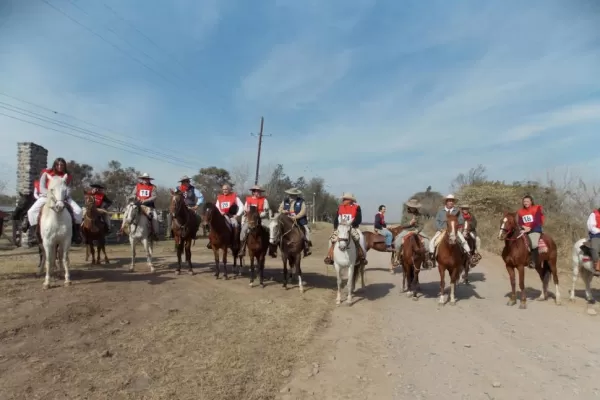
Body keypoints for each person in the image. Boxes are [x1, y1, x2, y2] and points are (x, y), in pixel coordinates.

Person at [24, 158, 83, 237]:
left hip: (63, 197)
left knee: (78, 211)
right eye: (57, 164)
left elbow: (69, 188)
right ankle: (36, 231)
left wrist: (64, 195)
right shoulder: (46, 173)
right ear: (55, 165)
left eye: (61, 165)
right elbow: (42, 187)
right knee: (31, 211)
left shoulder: (68, 176)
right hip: (47, 196)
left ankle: (76, 232)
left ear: (64, 166)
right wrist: (50, 195)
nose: (59, 166)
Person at [324, 192, 367, 266]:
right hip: (341, 228)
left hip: (353, 227)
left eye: (345, 199)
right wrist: (335, 228)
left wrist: (350, 225)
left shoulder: (357, 207)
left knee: (361, 238)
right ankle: (329, 256)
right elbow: (336, 219)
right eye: (343, 199)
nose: (343, 200)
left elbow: (358, 219)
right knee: (331, 238)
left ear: (350, 200)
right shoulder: (340, 207)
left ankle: (362, 256)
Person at [428, 194, 472, 267]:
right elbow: (436, 221)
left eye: (452, 201)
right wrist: (440, 229)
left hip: (454, 231)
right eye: (449, 201)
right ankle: (432, 258)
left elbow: (461, 220)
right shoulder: (440, 211)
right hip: (442, 230)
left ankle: (469, 256)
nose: (451, 202)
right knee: (433, 242)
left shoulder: (457, 211)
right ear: (446, 202)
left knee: (463, 241)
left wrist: (456, 222)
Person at [393, 198, 432, 268]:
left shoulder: (419, 215)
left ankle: (427, 259)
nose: (413, 208)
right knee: (398, 241)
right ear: (409, 206)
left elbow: (421, 225)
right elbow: (402, 224)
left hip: (417, 231)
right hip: (407, 231)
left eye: (414, 207)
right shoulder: (405, 214)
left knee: (426, 241)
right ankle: (397, 258)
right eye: (412, 207)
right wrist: (410, 223)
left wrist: (417, 230)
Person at [208, 184, 243, 249]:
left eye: (226, 189)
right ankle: (211, 241)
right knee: (212, 224)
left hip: (230, 216)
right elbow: (217, 207)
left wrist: (237, 215)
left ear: (229, 190)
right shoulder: (220, 197)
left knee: (235, 224)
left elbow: (241, 206)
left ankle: (234, 242)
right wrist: (221, 212)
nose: (225, 191)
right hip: (221, 215)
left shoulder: (234, 197)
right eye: (223, 189)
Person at [278, 187, 311, 257]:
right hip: (287, 220)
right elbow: (280, 209)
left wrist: (296, 217)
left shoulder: (301, 201)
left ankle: (306, 247)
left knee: (307, 230)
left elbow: (303, 211)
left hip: (299, 220)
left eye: (293, 195)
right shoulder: (285, 201)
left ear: (296, 195)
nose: (292, 196)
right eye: (290, 194)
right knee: (277, 229)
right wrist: (284, 211)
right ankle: (275, 245)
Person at [240, 185, 271, 256]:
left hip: (262, 218)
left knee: (269, 229)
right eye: (257, 191)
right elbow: (245, 209)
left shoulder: (264, 200)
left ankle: (271, 248)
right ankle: (242, 248)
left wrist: (259, 215)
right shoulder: (248, 199)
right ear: (253, 192)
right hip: (251, 219)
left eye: (259, 191)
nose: (259, 193)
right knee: (243, 230)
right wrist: (247, 212)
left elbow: (266, 210)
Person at [517, 194, 544, 269]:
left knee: (534, 244)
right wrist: (523, 226)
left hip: (535, 229)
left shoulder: (537, 208)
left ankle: (534, 261)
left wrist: (529, 228)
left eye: (527, 201)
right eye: (524, 201)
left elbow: (537, 220)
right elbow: (520, 222)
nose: (525, 203)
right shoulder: (520, 211)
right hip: (524, 229)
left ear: (531, 202)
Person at [131, 173, 160, 241]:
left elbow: (154, 196)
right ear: (142, 179)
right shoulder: (137, 186)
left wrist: (145, 200)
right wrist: (136, 197)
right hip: (138, 205)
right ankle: (124, 229)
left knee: (155, 218)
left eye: (147, 179)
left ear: (149, 179)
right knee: (129, 213)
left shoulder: (153, 187)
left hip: (149, 207)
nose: (145, 180)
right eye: (144, 179)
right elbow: (133, 194)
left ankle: (155, 233)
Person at [586, 207, 600, 274]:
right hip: (596, 234)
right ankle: (596, 266)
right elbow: (591, 227)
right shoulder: (594, 214)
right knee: (595, 248)